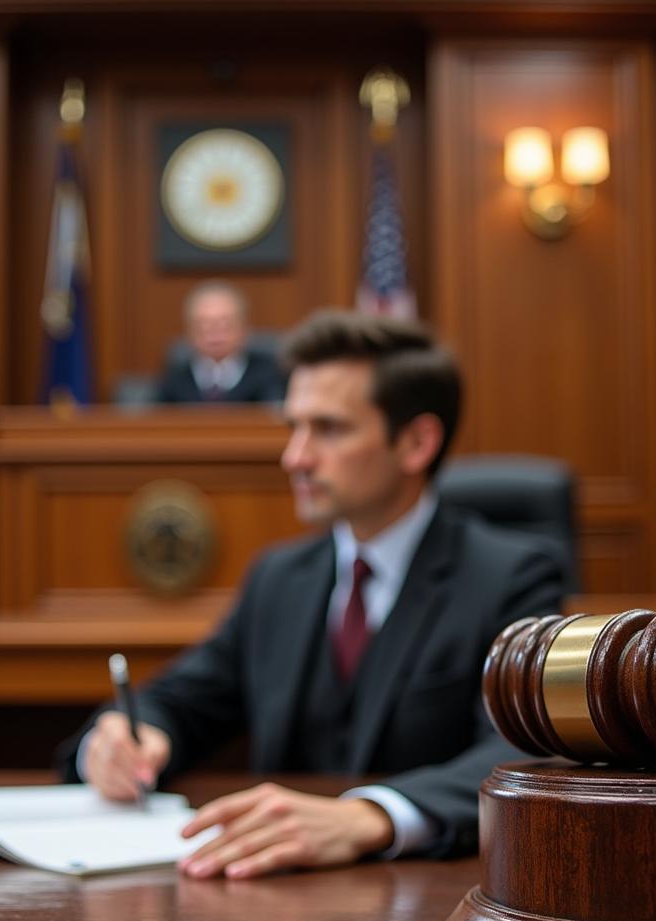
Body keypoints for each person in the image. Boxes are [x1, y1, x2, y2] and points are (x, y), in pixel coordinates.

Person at [59, 310, 563, 878]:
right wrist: (125, 740)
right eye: (293, 427)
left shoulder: (513, 577)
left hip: (433, 907)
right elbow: (181, 698)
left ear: (417, 442)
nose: (293, 457)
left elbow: (524, 753)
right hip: (269, 909)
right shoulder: (279, 577)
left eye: (327, 429)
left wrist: (374, 816)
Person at [158, 280, 286, 403]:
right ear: (190, 331)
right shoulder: (174, 380)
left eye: (225, 324)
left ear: (244, 328)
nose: (215, 333)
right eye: (204, 325)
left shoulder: (269, 376)